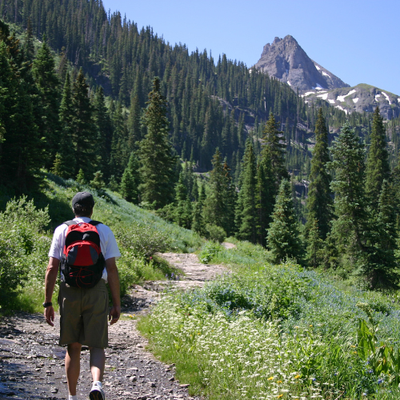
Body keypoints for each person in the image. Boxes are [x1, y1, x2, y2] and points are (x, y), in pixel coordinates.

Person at [44, 191, 121, 400]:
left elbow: (52, 267)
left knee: (73, 346)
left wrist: (48, 302)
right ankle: (96, 384)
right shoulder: (103, 230)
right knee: (96, 344)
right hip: (96, 290)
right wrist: (116, 304)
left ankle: (72, 396)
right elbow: (112, 269)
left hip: (69, 290)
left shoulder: (62, 229)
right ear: (92, 208)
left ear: (73, 209)